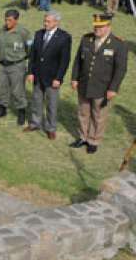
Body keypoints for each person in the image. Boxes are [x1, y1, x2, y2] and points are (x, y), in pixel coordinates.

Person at [70, 14, 128, 154]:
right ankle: (83, 137)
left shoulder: (118, 44)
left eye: (100, 27)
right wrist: (74, 78)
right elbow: (78, 60)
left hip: (103, 87)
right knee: (83, 112)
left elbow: (120, 69)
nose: (97, 29)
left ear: (108, 27)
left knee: (99, 115)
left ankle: (93, 140)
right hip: (84, 84)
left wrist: (113, 88)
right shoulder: (86, 39)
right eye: (95, 26)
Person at [24, 11, 72, 140]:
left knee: (51, 104)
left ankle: (51, 128)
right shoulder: (39, 34)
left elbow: (64, 61)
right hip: (38, 75)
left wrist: (59, 78)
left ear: (56, 22)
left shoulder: (64, 37)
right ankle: (35, 123)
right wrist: (30, 72)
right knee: (36, 101)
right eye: (45, 21)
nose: (45, 23)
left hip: (52, 78)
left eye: (48, 21)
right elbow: (32, 55)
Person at [0, 10, 33, 125]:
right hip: (3, 65)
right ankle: (2, 109)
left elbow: (30, 49)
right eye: (5, 19)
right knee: (1, 88)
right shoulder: (0, 31)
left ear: (16, 20)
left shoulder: (23, 33)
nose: (7, 22)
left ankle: (21, 112)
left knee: (17, 91)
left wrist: (21, 59)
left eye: (10, 20)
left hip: (17, 66)